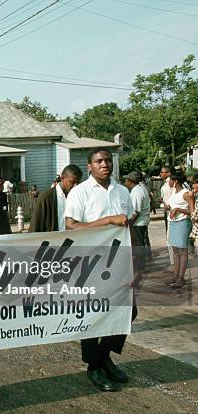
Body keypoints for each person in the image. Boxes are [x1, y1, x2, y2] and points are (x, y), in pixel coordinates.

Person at [64, 148, 138, 392]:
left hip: (119, 262)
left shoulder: (123, 191)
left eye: (107, 160)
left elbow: (128, 228)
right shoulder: (80, 192)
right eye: (99, 161)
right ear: (89, 167)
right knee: (92, 314)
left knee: (128, 310)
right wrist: (106, 221)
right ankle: (93, 366)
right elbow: (71, 227)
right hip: (90, 264)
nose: (105, 164)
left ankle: (104, 356)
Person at [29, 165, 82, 232]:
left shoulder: (79, 197)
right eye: (72, 182)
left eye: (78, 183)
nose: (75, 186)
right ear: (62, 178)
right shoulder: (46, 197)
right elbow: (35, 226)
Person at [166, 172, 194, 288]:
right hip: (173, 223)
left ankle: (181, 278)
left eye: (170, 180)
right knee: (175, 251)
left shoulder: (186, 194)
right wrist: (169, 207)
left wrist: (178, 209)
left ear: (175, 181)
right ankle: (176, 275)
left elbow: (193, 212)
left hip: (183, 223)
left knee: (182, 251)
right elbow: (172, 206)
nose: (168, 183)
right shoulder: (174, 192)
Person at [124, 171, 151, 283]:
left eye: (126, 180)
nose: (125, 182)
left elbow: (135, 211)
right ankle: (141, 265)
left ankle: (140, 268)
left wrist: (129, 223)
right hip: (142, 222)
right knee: (140, 244)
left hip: (138, 223)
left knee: (138, 245)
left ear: (131, 182)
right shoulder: (141, 189)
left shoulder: (137, 192)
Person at [160, 166, 174, 231]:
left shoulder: (171, 183)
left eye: (162, 172)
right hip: (167, 210)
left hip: (171, 210)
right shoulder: (165, 183)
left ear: (168, 173)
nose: (160, 174)